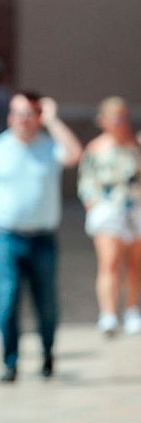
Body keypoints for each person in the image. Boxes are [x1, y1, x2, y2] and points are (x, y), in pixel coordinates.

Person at [0, 92, 82, 382]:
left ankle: (48, 355)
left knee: (46, 301)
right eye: (17, 113)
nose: (22, 120)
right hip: (5, 237)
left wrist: (53, 121)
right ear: (9, 117)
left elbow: (75, 154)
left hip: (42, 238)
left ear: (38, 116)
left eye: (29, 113)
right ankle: (10, 362)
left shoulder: (50, 145)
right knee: (8, 298)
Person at [78, 96, 141, 335]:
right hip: (108, 210)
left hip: (134, 207)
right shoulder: (95, 148)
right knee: (110, 261)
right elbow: (86, 181)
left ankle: (132, 309)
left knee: (135, 264)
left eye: (123, 117)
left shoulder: (134, 145)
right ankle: (109, 313)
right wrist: (93, 205)